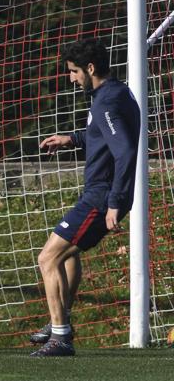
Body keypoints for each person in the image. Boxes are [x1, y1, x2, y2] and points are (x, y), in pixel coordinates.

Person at [30, 38, 140, 356]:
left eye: (74, 71)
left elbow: (125, 150)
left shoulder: (105, 101)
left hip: (101, 198)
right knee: (68, 255)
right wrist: (72, 138)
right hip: (99, 195)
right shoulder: (114, 93)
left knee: (47, 258)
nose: (71, 78)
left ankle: (61, 335)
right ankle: (59, 320)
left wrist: (115, 202)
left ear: (90, 68)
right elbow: (105, 135)